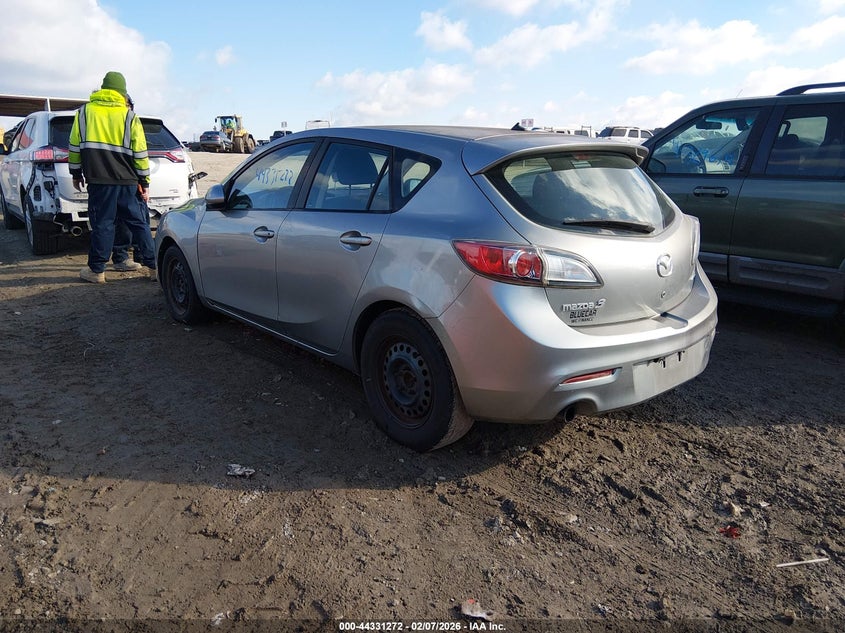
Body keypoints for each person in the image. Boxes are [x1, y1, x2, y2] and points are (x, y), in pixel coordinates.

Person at [69, 71, 156, 283]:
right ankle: (155, 269)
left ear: (103, 89)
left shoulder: (84, 113)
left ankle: (97, 271)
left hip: (99, 181)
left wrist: (75, 172)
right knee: (139, 224)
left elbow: (74, 146)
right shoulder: (129, 116)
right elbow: (141, 153)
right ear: (123, 93)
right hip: (128, 181)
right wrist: (144, 181)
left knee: (103, 224)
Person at [110, 93, 146, 271]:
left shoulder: (131, 121)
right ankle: (122, 257)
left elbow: (140, 154)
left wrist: (143, 181)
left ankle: (141, 257)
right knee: (127, 220)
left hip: (131, 179)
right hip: (125, 180)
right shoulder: (127, 121)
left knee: (138, 220)